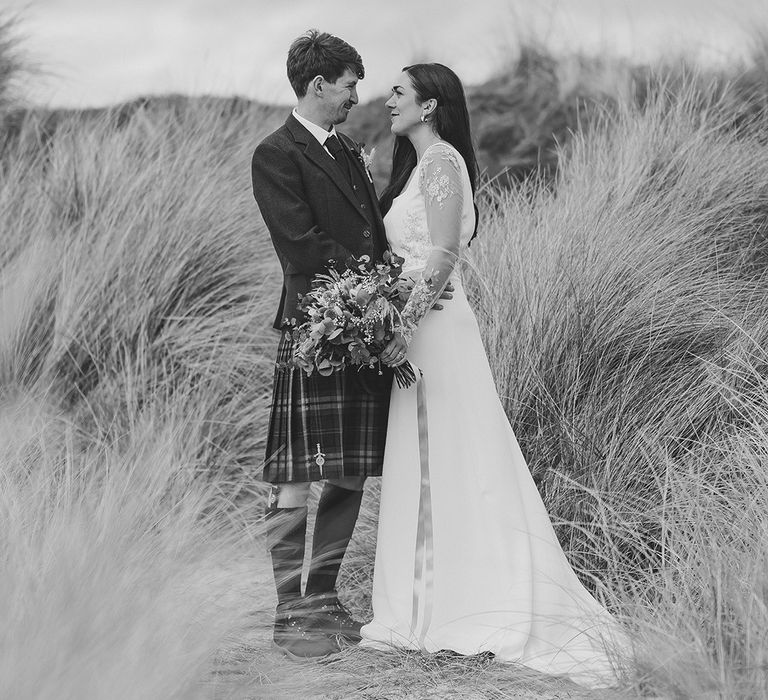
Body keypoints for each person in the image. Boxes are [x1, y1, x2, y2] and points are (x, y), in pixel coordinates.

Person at [358, 63, 625, 688]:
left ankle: (467, 602)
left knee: (454, 456)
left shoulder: (444, 163)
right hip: (413, 325)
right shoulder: (416, 171)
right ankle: (428, 602)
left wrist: (403, 320)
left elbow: (445, 252)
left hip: (434, 328)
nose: (388, 100)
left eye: (399, 92)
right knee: (428, 463)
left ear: (429, 106)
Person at [250, 30, 392, 660]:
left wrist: (388, 292)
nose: (355, 97)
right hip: (316, 325)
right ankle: (288, 614)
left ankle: (323, 599)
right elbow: (300, 244)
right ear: (318, 84)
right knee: (294, 476)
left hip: (360, 325)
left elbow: (372, 232)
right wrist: (371, 288)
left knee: (352, 468)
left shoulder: (350, 150)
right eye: (349, 85)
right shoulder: (275, 153)